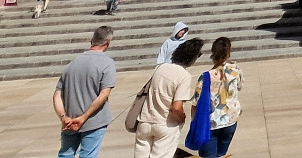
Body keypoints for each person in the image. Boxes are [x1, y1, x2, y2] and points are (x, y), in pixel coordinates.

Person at [131, 37, 203, 158]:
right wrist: (181, 118)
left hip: (145, 121)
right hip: (165, 125)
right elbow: (176, 106)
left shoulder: (160, 68)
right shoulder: (184, 76)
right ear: (192, 57)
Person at [53, 24, 117, 158]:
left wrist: (64, 117)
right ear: (108, 42)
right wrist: (83, 117)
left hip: (69, 121)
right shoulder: (107, 63)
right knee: (88, 155)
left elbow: (57, 95)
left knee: (66, 154)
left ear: (91, 40)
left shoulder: (72, 64)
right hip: (94, 121)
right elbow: (104, 94)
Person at [194, 37, 242, 157]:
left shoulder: (205, 77)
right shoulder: (236, 71)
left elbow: (196, 102)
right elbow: (239, 87)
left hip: (211, 124)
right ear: (229, 51)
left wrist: (194, 123)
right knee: (220, 154)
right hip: (231, 120)